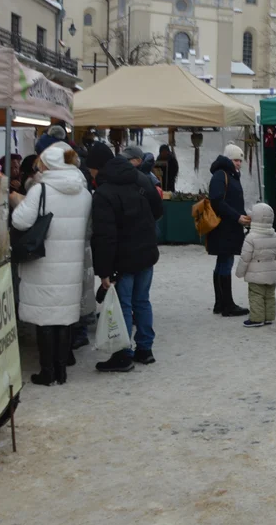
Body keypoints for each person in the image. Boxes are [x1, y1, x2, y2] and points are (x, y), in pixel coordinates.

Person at [10, 144, 92, 386]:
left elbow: (21, 222)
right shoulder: (85, 193)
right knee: (64, 315)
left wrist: (17, 201)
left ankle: (47, 372)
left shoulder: (40, 190)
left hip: (43, 262)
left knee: (45, 317)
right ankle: (62, 369)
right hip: (71, 263)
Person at [89, 146, 163, 372]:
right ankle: (145, 349)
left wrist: (103, 271)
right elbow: (158, 209)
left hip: (124, 257)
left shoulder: (104, 193)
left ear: (97, 168)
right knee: (142, 301)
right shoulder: (141, 179)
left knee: (123, 304)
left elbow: (105, 236)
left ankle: (123, 354)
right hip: (146, 251)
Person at [207, 144, 250, 316]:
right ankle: (227, 304)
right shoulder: (221, 175)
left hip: (229, 226)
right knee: (226, 263)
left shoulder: (229, 174)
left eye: (240, 160)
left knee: (223, 262)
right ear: (228, 160)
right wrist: (237, 216)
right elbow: (217, 201)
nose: (238, 163)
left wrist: (243, 216)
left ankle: (221, 302)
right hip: (224, 227)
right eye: (235, 160)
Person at [235, 203, 276, 328]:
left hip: (255, 273)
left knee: (256, 295)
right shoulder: (275, 236)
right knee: (269, 296)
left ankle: (257, 318)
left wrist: (239, 272)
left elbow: (245, 257)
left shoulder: (251, 237)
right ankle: (269, 317)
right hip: (271, 273)